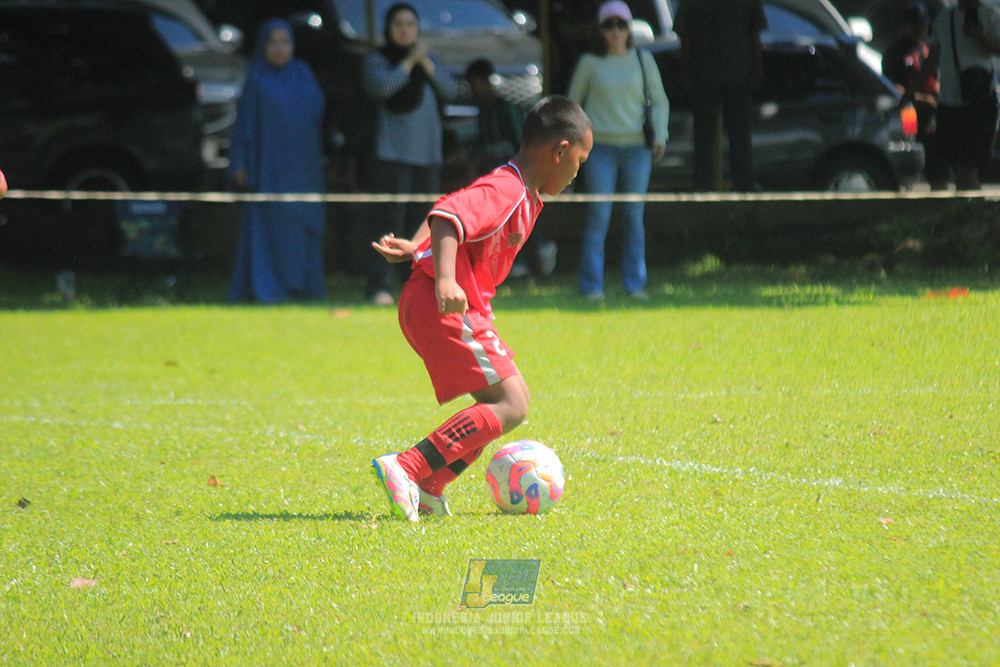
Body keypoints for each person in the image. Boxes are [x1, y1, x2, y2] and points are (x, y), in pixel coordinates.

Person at [369, 95, 593, 522]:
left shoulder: (517, 188)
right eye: (579, 162)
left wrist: (417, 248)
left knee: (509, 402)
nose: (577, 173)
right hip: (445, 304)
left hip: (440, 302)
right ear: (560, 151)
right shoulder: (508, 188)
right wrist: (448, 278)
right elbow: (449, 215)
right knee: (512, 404)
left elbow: (450, 203)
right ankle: (409, 466)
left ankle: (429, 485)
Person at [568, 0, 669, 300]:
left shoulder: (643, 59)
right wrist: (576, 145)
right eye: (609, 25)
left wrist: (660, 136)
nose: (615, 31)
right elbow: (573, 106)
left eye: (621, 25)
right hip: (600, 150)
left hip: (637, 149)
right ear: (600, 30)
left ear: (629, 29)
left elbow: (660, 101)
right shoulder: (590, 63)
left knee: (633, 217)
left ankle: (635, 285)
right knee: (599, 215)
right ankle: (591, 286)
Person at [362, 2, 459, 306]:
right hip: (392, 155)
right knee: (388, 222)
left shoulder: (428, 61)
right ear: (389, 30)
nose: (405, 30)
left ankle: (414, 288)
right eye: (398, 25)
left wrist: (425, 63)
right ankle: (379, 286)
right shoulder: (377, 60)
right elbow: (380, 88)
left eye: (410, 25)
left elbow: (451, 91)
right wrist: (407, 63)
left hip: (427, 155)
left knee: (421, 227)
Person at [227, 19, 326, 303]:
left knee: (301, 227)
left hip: (303, 167)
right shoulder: (256, 79)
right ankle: (268, 288)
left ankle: (304, 287)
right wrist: (240, 164)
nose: (280, 49)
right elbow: (243, 127)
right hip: (267, 167)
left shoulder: (304, 74)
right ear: (263, 45)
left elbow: (317, 115)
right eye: (274, 42)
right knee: (268, 228)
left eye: (286, 42)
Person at [466, 58, 557, 279]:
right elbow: (483, 147)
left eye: (474, 84)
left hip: (512, 177)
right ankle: (513, 264)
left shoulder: (506, 109)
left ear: (484, 81)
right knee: (501, 221)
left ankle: (542, 250)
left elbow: (522, 143)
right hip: (493, 178)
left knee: (517, 218)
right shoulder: (483, 112)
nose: (473, 90)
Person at [673, 0, 767, 192]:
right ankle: (713, 184)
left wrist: (757, 68)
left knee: (733, 133)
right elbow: (685, 36)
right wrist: (686, 73)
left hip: (724, 74)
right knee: (714, 134)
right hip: (717, 74)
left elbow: (755, 33)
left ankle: (739, 182)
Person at [927, 0, 1000, 190]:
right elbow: (932, 59)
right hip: (949, 103)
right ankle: (955, 213)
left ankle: (968, 213)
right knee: (946, 168)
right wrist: (911, 91)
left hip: (981, 102)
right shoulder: (944, 19)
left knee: (969, 171)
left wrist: (981, 36)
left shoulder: (991, 16)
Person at [883, 2, 946, 189]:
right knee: (911, 150)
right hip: (909, 112)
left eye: (923, 24)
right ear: (906, 26)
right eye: (915, 25)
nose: (921, 29)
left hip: (932, 114)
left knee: (936, 158)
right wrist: (921, 99)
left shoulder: (927, 48)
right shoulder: (895, 52)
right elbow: (892, 87)